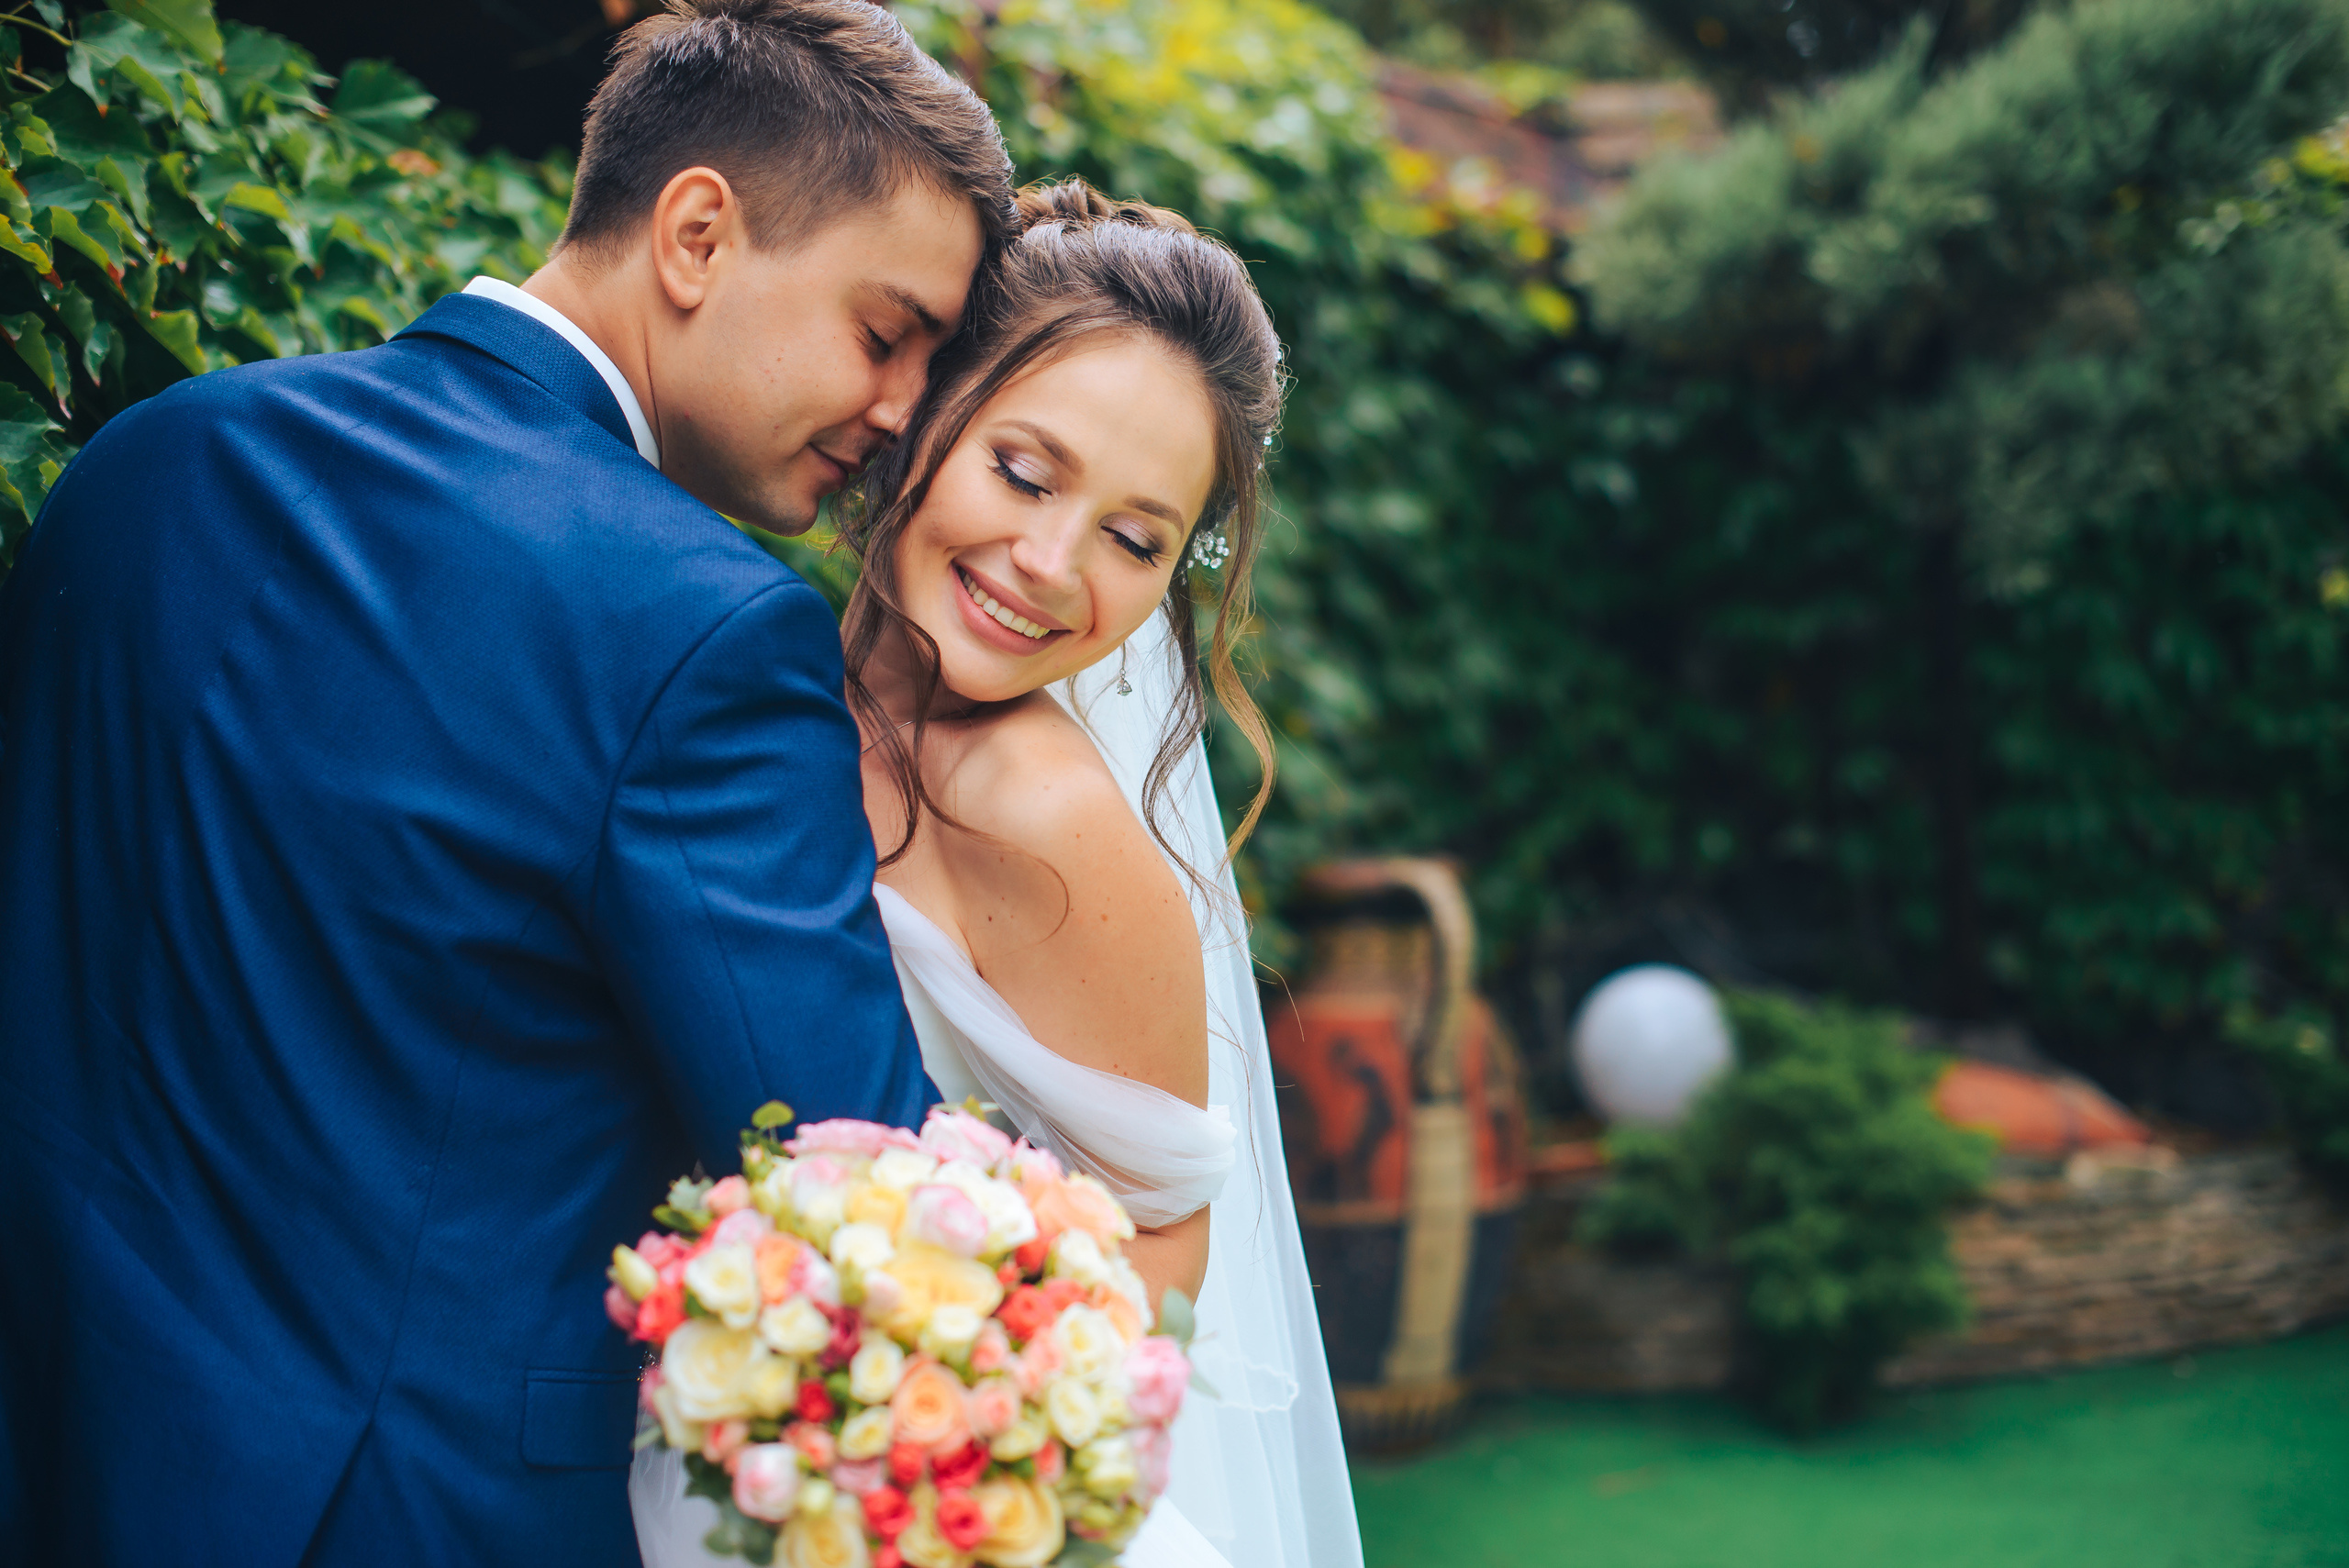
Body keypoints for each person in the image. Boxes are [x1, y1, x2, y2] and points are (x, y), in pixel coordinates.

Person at [0, 4, 1012, 1563]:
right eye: (887, 333)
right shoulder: (705, 630)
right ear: (694, 234)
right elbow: (850, 1182)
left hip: (59, 1454)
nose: (899, 416)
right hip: (415, 1515)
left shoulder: (143, 460)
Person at [630, 181, 1364, 1568]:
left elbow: (1167, 1251)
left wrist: (924, 1445)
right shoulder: (762, 683)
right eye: (1026, 473)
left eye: (1135, 539)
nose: (1047, 563)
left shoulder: (1047, 818)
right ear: (925, 412)